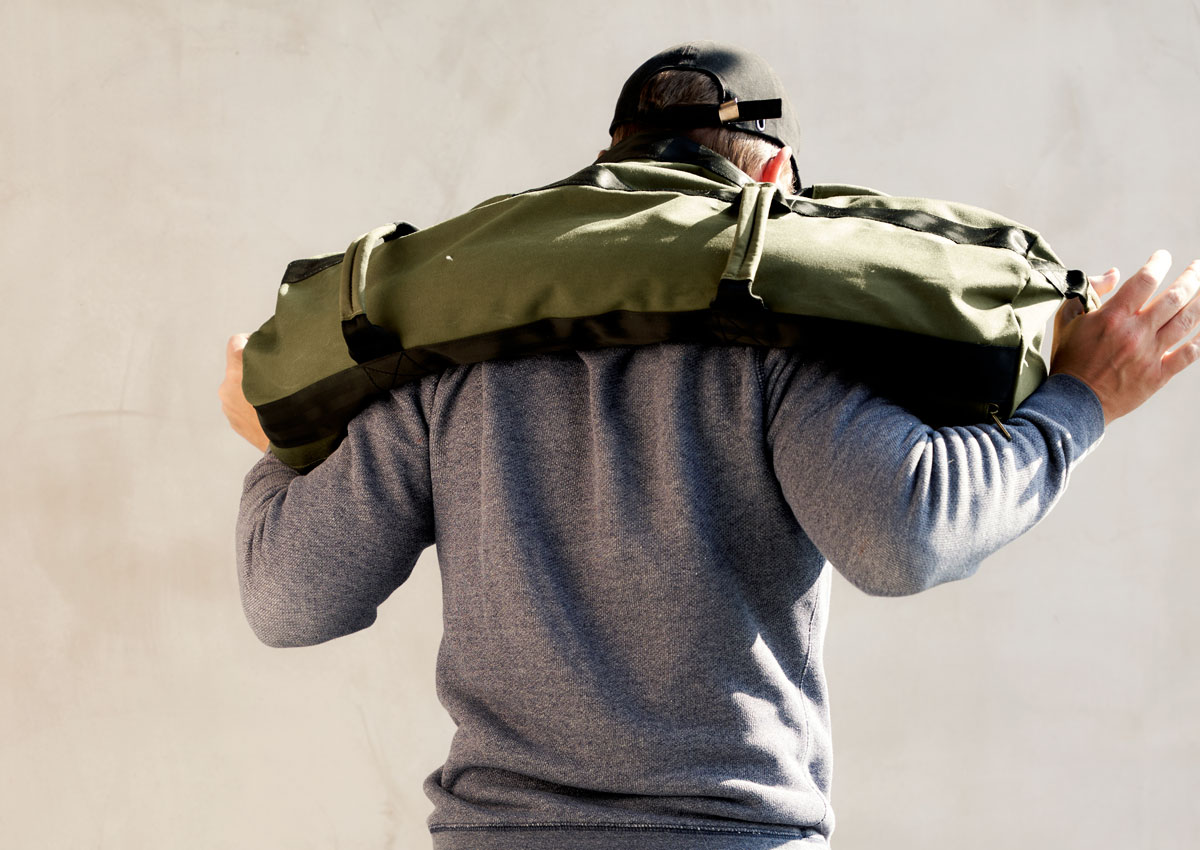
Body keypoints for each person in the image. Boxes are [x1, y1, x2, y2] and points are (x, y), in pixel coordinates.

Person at [220, 42, 1200, 850]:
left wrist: (271, 447)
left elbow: (290, 597)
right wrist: (1082, 402)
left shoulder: (454, 348)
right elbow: (907, 532)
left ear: (608, 167)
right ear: (773, 181)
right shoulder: (776, 333)